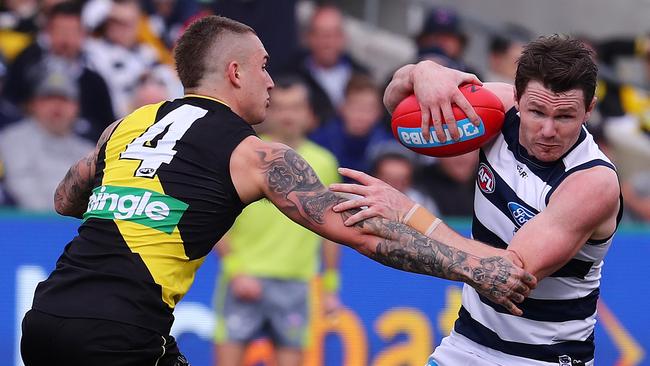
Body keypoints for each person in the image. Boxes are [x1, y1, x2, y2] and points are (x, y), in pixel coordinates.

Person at [20, 16, 535, 366]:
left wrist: (128, 194)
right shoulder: (257, 155)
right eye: (263, 66)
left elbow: (67, 199)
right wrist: (471, 266)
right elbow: (359, 233)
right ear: (235, 71)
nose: (270, 82)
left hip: (44, 319)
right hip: (118, 334)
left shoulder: (127, 125)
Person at [330, 35, 621, 365]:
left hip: (544, 358)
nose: (548, 131)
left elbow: (508, 273)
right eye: (537, 112)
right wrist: (421, 72)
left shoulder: (592, 181)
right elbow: (397, 105)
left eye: (565, 116)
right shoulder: (496, 108)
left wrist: (407, 212)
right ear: (517, 96)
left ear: (590, 109)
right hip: (467, 344)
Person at [214, 75, 341, 366]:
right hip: (245, 277)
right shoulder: (244, 156)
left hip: (295, 284)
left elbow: (331, 231)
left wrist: (331, 288)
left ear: (309, 114)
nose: (288, 115)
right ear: (269, 111)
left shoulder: (324, 163)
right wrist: (235, 271)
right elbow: (216, 220)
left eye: (296, 107)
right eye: (281, 107)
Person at [3, 1, 115, 141]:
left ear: (83, 35)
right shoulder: (27, 65)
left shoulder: (94, 82)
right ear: (48, 32)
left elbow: (108, 129)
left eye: (72, 32)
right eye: (60, 31)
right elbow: (8, 108)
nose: (66, 40)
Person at [0, 69, 94, 211]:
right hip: (27, 225)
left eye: (64, 99)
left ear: (77, 107)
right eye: (48, 98)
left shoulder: (88, 149)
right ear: (33, 104)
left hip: (76, 226)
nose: (57, 106)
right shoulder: (11, 140)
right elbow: (22, 188)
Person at [286, 4, 369, 124]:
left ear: (343, 37)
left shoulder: (362, 75)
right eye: (322, 34)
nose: (328, 42)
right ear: (309, 37)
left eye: (334, 34)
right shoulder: (291, 75)